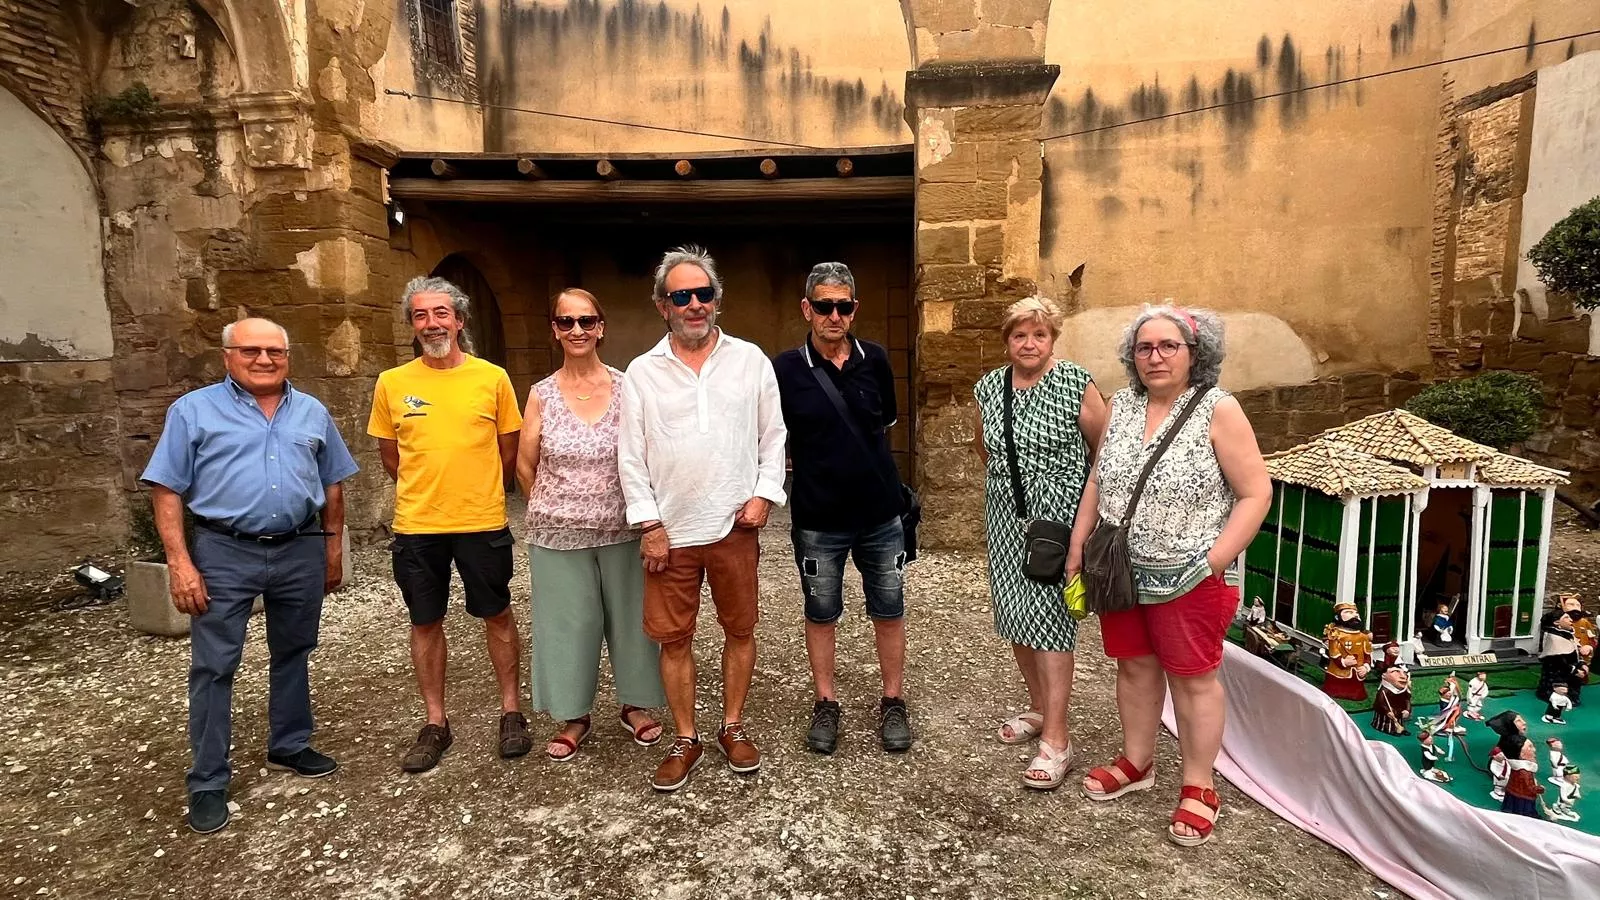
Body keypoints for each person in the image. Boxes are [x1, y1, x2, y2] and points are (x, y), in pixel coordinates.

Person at [141, 318, 358, 834]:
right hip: (223, 551)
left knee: (294, 650)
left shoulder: (311, 411)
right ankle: (209, 780)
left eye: (274, 352)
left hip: (299, 548)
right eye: (251, 351)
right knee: (214, 665)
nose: (264, 360)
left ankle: (289, 744)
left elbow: (332, 484)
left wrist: (330, 550)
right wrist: (180, 563)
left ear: (287, 356)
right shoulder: (193, 411)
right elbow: (166, 490)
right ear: (227, 357)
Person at [1070, 304, 1271, 847]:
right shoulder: (1124, 406)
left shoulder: (1218, 409)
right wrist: (1077, 546)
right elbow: (1099, 480)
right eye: (1144, 347)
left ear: (1194, 351)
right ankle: (1138, 762)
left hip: (1190, 573)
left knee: (1192, 677)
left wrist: (1214, 561)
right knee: (1134, 667)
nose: (1154, 357)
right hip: (1121, 570)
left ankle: (1199, 784)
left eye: (1168, 346)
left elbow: (1256, 493)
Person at [617, 245, 788, 793]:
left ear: (717, 299)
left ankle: (732, 726)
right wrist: (649, 525)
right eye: (681, 296)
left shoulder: (750, 360)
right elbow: (630, 454)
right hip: (670, 531)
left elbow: (773, 436)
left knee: (739, 629)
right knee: (674, 639)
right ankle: (686, 737)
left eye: (703, 294)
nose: (694, 304)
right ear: (663, 306)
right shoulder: (642, 372)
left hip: (736, 525)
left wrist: (764, 495)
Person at [368, 276, 531, 773]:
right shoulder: (392, 383)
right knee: (425, 622)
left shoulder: (493, 378)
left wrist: (475, 488)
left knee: (496, 613)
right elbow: (391, 458)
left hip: (481, 520)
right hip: (418, 525)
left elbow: (509, 452)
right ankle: (435, 722)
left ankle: (511, 711)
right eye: (421, 315)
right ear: (411, 326)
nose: (432, 323)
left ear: (459, 320)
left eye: (441, 313)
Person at [516, 288, 665, 760]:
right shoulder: (540, 394)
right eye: (565, 322)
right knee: (567, 625)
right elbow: (525, 466)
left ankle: (636, 705)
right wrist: (556, 506)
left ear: (601, 326)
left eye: (585, 321)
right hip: (558, 535)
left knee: (633, 621)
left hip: (623, 529)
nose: (576, 330)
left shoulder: (628, 387)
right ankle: (573, 715)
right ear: (554, 330)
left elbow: (648, 453)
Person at [772, 262, 913, 755]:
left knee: (889, 608)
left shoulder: (875, 359)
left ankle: (892, 700)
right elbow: (774, 434)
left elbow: (887, 420)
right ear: (807, 309)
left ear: (855, 309)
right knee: (822, 610)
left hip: (879, 514)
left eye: (844, 306)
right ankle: (826, 702)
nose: (835, 315)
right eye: (825, 306)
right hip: (818, 517)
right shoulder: (786, 368)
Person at [972, 296, 1106, 789]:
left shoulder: (1075, 382)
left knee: (1050, 623)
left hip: (1060, 520)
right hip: (1008, 519)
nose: (1029, 343)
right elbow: (987, 448)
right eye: (1020, 335)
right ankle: (1037, 707)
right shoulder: (988, 387)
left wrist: (1083, 523)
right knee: (1016, 617)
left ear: (1053, 339)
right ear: (1007, 341)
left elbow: (1103, 451)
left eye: (1039, 335)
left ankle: (1057, 736)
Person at [1321, 603, 1374, 701]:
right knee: (1335, 688)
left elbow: (1367, 654)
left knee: (1357, 692)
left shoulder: (1363, 637)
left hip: (1357, 673)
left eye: (1356, 613)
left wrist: (1365, 667)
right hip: (1338, 673)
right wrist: (1343, 662)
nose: (1354, 615)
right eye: (1348, 612)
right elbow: (1334, 653)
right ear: (1338, 617)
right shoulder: (1335, 634)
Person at [1370, 664, 1411, 736]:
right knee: (1387, 722)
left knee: (1399, 721)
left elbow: (1407, 700)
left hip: (1399, 712)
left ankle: (1401, 729)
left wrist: (1407, 710)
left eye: (1404, 673)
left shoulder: (1404, 690)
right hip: (1385, 715)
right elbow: (1380, 703)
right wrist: (1387, 711)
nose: (1403, 676)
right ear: (1384, 676)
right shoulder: (1384, 691)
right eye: (1395, 672)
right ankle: (1389, 729)